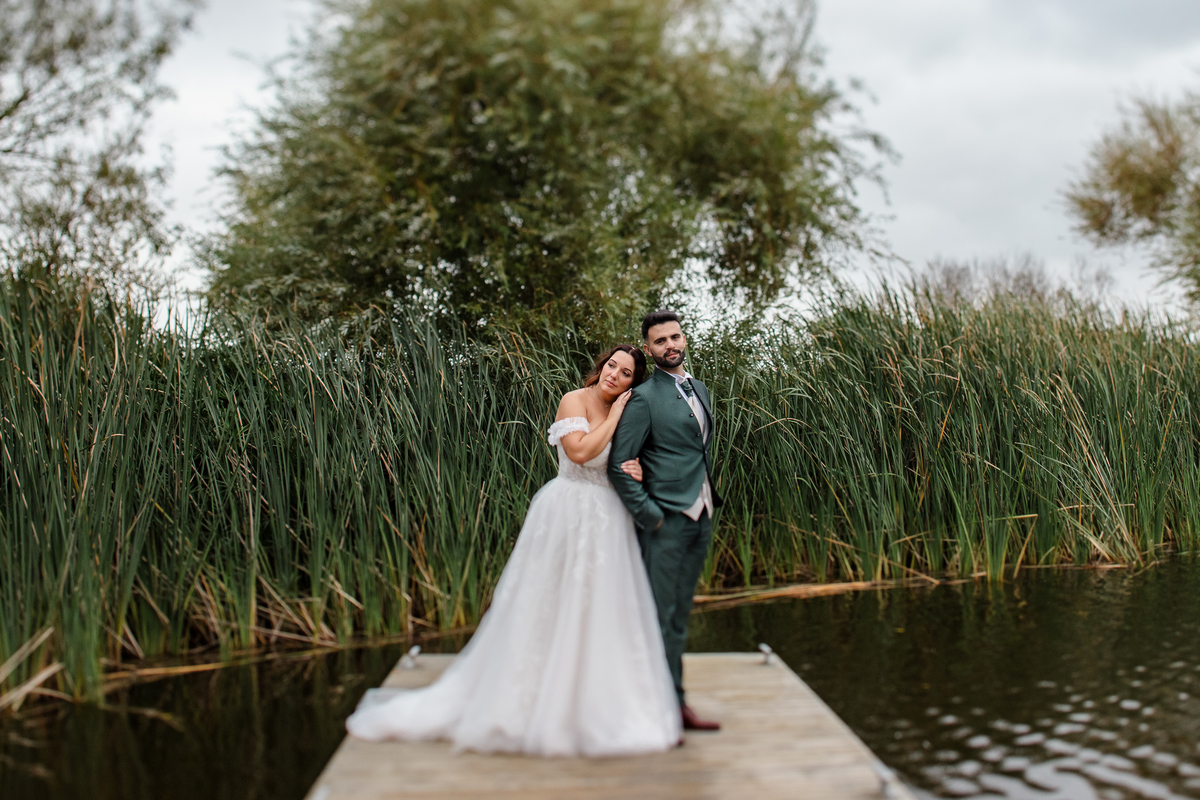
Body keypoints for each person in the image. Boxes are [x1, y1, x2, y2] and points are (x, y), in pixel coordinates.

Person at [345, 345, 682, 756]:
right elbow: (578, 452)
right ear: (602, 366)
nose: (615, 374)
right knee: (545, 602)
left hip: (609, 519)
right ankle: (529, 700)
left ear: (632, 382)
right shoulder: (574, 400)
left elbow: (626, 463)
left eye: (626, 373)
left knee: (600, 607)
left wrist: (637, 469)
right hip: (566, 511)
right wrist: (613, 418)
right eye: (612, 365)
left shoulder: (630, 413)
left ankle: (593, 702)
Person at [608, 310, 723, 732]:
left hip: (702, 516)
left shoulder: (700, 388)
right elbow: (620, 465)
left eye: (675, 337)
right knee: (658, 617)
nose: (670, 345)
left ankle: (675, 704)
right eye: (660, 341)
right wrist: (652, 517)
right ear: (649, 349)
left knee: (679, 617)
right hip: (665, 523)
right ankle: (658, 711)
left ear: (684, 338)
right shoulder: (643, 398)